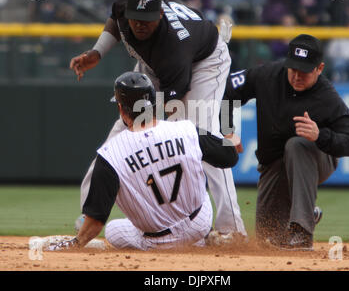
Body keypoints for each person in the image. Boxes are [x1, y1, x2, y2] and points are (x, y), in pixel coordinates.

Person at [70, 0, 247, 240]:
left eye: (148, 20)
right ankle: (88, 215)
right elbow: (114, 21)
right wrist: (97, 53)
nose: (140, 24)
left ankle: (232, 227)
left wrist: (143, 126)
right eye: (136, 19)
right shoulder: (124, 3)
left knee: (200, 139)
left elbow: (169, 115)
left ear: (161, 14)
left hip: (205, 62)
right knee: (118, 135)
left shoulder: (174, 48)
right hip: (153, 65)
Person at [49, 72, 240, 251]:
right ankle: (201, 239)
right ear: (154, 104)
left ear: (121, 108)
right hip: (200, 222)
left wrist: (75, 243)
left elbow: (95, 222)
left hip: (159, 241)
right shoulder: (187, 130)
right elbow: (229, 157)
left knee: (113, 229)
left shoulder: (109, 155)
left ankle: (186, 242)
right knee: (199, 188)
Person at [221, 34, 349, 250]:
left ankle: (302, 231)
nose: (297, 76)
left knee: (296, 145)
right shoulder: (267, 75)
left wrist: (320, 136)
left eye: (304, 71)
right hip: (273, 165)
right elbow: (224, 92)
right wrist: (227, 131)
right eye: (293, 68)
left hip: (315, 159)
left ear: (320, 68)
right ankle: (306, 213)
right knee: (268, 238)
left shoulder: (326, 97)